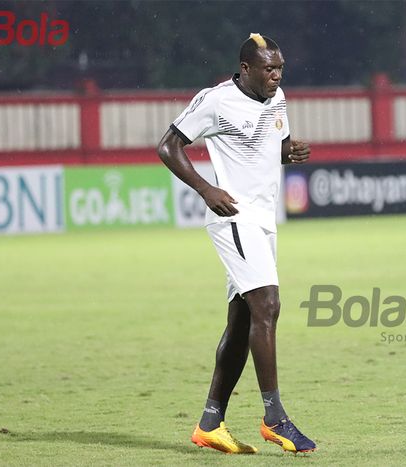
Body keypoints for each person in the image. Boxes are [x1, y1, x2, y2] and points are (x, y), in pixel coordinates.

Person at [156, 33, 316, 455]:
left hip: (265, 221)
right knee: (268, 305)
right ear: (246, 68)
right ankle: (275, 418)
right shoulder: (215, 100)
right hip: (233, 217)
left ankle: (210, 423)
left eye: (280, 68)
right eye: (268, 68)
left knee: (242, 322)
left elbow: (269, 149)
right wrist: (206, 189)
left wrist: (289, 152)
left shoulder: (277, 98)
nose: (276, 76)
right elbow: (168, 146)